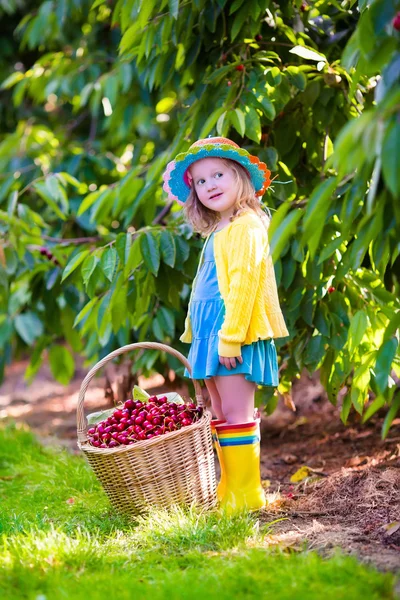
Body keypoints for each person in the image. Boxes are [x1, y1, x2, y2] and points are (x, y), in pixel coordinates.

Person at [162, 137, 289, 513]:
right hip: (211, 334)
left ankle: (246, 495)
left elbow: (245, 283)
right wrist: (197, 333)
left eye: (218, 175)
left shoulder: (246, 225)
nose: (210, 185)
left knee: (236, 412)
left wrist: (230, 338)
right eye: (201, 182)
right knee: (219, 412)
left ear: (240, 180)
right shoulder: (220, 228)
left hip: (232, 333)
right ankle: (229, 487)